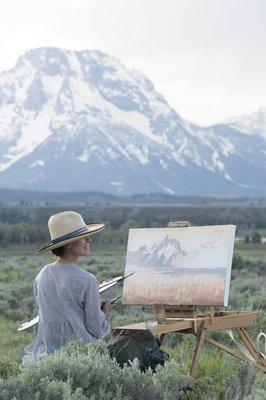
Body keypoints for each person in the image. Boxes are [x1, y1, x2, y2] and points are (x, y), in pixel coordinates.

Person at [21, 211, 111, 365]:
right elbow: (96, 328)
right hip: (81, 356)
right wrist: (106, 313)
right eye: (84, 237)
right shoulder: (87, 280)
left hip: (45, 356)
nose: (89, 240)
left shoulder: (41, 276)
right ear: (69, 244)